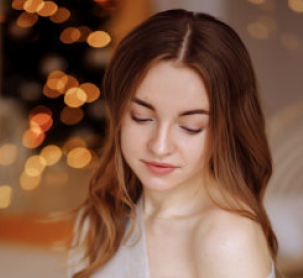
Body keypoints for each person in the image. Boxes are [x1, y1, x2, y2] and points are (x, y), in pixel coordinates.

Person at [67, 8, 279, 278]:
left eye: (191, 127)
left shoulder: (226, 240)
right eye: (142, 117)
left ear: (226, 130)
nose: (160, 146)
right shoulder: (104, 213)